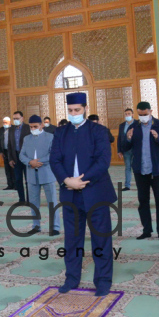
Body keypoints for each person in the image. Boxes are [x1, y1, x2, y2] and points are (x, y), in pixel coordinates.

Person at [50, 92, 116, 297]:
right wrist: (67, 180)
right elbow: (55, 160)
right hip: (70, 194)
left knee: (101, 239)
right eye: (70, 111)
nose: (73, 114)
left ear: (85, 108)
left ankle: (103, 281)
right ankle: (71, 278)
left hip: (96, 192)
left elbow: (103, 162)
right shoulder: (61, 133)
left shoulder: (99, 131)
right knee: (72, 240)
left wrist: (81, 181)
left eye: (77, 110)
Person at [122, 102, 159, 241]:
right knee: (143, 201)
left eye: (145, 114)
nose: (143, 117)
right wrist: (128, 138)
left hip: (157, 171)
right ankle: (147, 230)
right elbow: (125, 147)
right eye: (140, 115)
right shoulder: (134, 127)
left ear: (151, 111)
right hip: (140, 170)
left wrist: (158, 137)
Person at [19, 115, 60, 235]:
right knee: (33, 202)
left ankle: (55, 227)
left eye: (35, 126)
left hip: (47, 173)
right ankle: (36, 225)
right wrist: (30, 162)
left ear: (41, 125)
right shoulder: (27, 138)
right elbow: (22, 155)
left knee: (52, 202)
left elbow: (53, 154)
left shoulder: (50, 137)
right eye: (31, 127)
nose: (33, 129)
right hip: (31, 175)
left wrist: (38, 162)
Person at [7, 111, 30, 203]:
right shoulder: (11, 129)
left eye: (17, 118)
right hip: (15, 157)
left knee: (28, 180)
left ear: (22, 118)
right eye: (14, 119)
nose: (15, 120)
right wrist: (10, 159)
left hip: (26, 157)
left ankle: (29, 200)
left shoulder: (27, 128)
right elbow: (9, 145)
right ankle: (21, 200)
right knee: (18, 179)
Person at [117, 109, 135, 191]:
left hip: (135, 149)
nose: (127, 115)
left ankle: (141, 184)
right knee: (128, 167)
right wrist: (119, 150)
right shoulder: (122, 125)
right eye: (126, 114)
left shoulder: (137, 124)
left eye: (129, 113)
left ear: (132, 114)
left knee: (137, 168)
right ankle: (127, 185)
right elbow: (119, 138)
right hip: (126, 150)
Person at [0, 117, 14, 191]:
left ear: (10, 122)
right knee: (7, 169)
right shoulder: (1, 129)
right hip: (5, 151)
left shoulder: (13, 129)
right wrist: (0, 151)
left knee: (13, 168)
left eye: (6, 122)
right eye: (3, 122)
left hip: (12, 151)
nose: (4, 124)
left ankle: (16, 185)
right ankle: (10, 185)